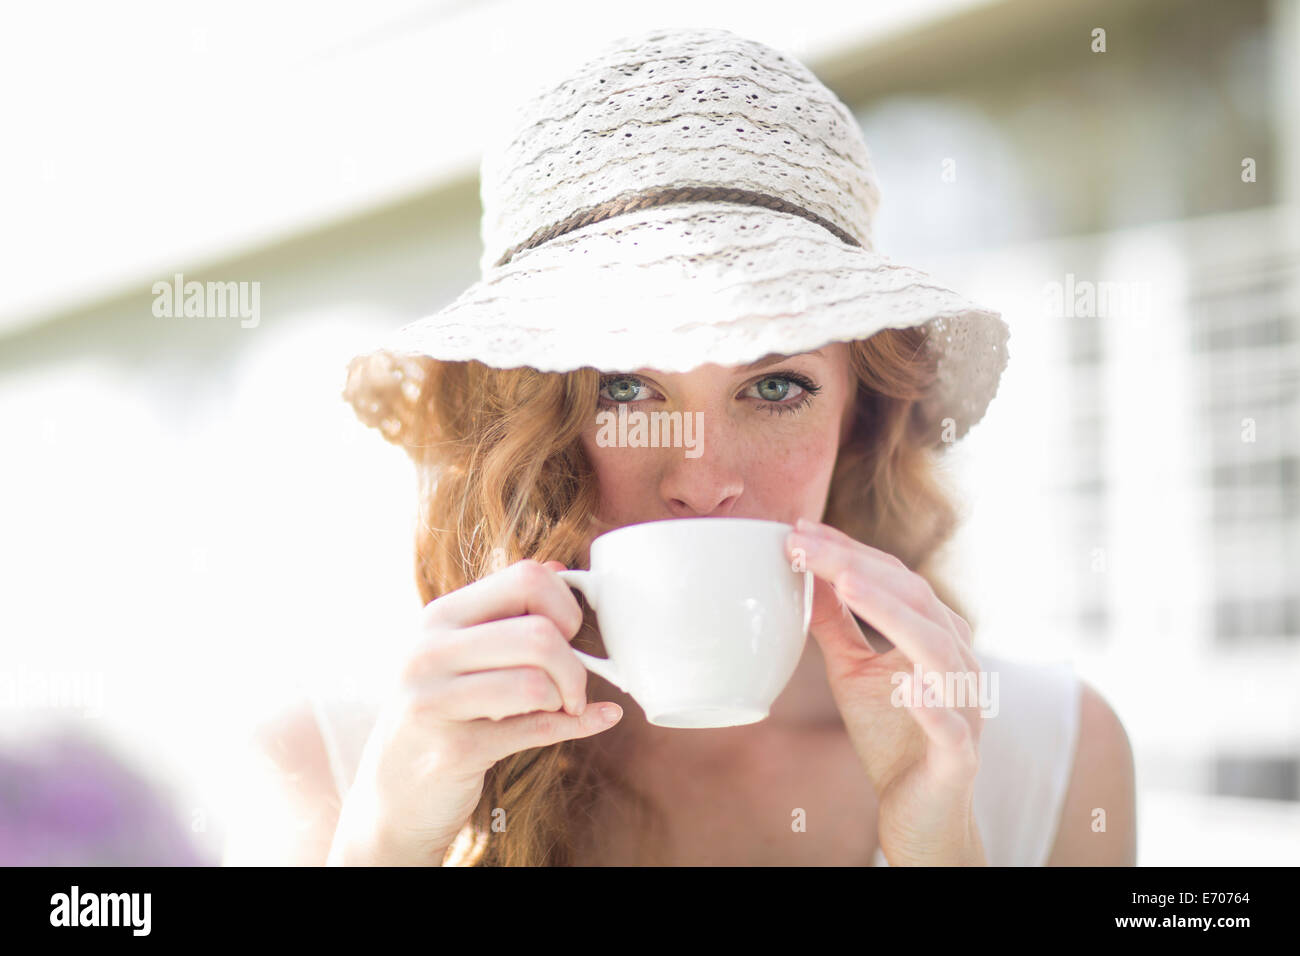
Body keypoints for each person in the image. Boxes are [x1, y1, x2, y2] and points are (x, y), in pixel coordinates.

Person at [222, 26, 1135, 867]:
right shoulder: (332, 764)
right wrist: (386, 845)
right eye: (627, 387)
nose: (702, 476)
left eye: (775, 387)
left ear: (861, 416)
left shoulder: (1049, 755)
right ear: (536, 425)